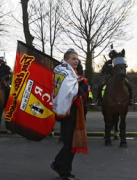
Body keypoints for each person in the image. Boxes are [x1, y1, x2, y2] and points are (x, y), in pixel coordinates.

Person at [51, 49, 88, 180]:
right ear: (66, 60)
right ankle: (63, 170)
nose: (76, 61)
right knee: (70, 144)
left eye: (77, 59)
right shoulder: (67, 72)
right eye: (73, 58)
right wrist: (82, 89)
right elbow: (70, 92)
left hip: (66, 110)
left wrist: (80, 83)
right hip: (69, 112)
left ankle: (60, 166)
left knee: (69, 143)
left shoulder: (63, 70)